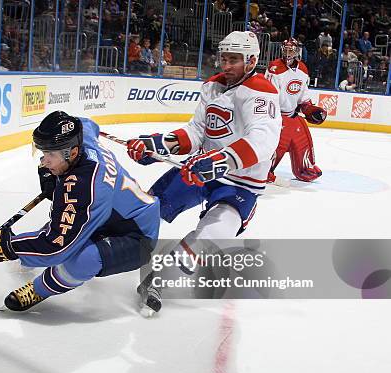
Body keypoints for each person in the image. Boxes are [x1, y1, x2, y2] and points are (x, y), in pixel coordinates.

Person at [126, 31, 281, 314]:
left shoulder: (261, 92)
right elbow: (198, 130)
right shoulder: (212, 87)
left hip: (239, 183)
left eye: (234, 60)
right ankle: (100, 244)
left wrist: (220, 161)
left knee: (213, 237)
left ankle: (158, 278)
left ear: (252, 61)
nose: (226, 65)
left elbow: (264, 140)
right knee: (144, 211)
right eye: (224, 58)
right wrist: (160, 144)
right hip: (200, 170)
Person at [0, 111, 160, 312]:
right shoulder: (81, 137)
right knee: (64, 220)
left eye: (51, 155)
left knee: (82, 260)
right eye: (43, 153)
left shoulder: (85, 187)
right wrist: (48, 172)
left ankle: (40, 289)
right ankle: (30, 254)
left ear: (73, 153)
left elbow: (56, 249)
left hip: (136, 237)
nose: (45, 161)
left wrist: (6, 246)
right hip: (109, 214)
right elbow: (87, 123)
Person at [264, 37, 327, 183]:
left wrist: (309, 109)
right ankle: (263, 170)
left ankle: (305, 168)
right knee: (278, 144)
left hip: (292, 115)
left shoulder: (303, 70)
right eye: (285, 49)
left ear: (296, 51)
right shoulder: (275, 68)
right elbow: (269, 95)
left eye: (290, 50)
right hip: (277, 117)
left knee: (303, 138)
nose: (287, 53)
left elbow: (303, 97)